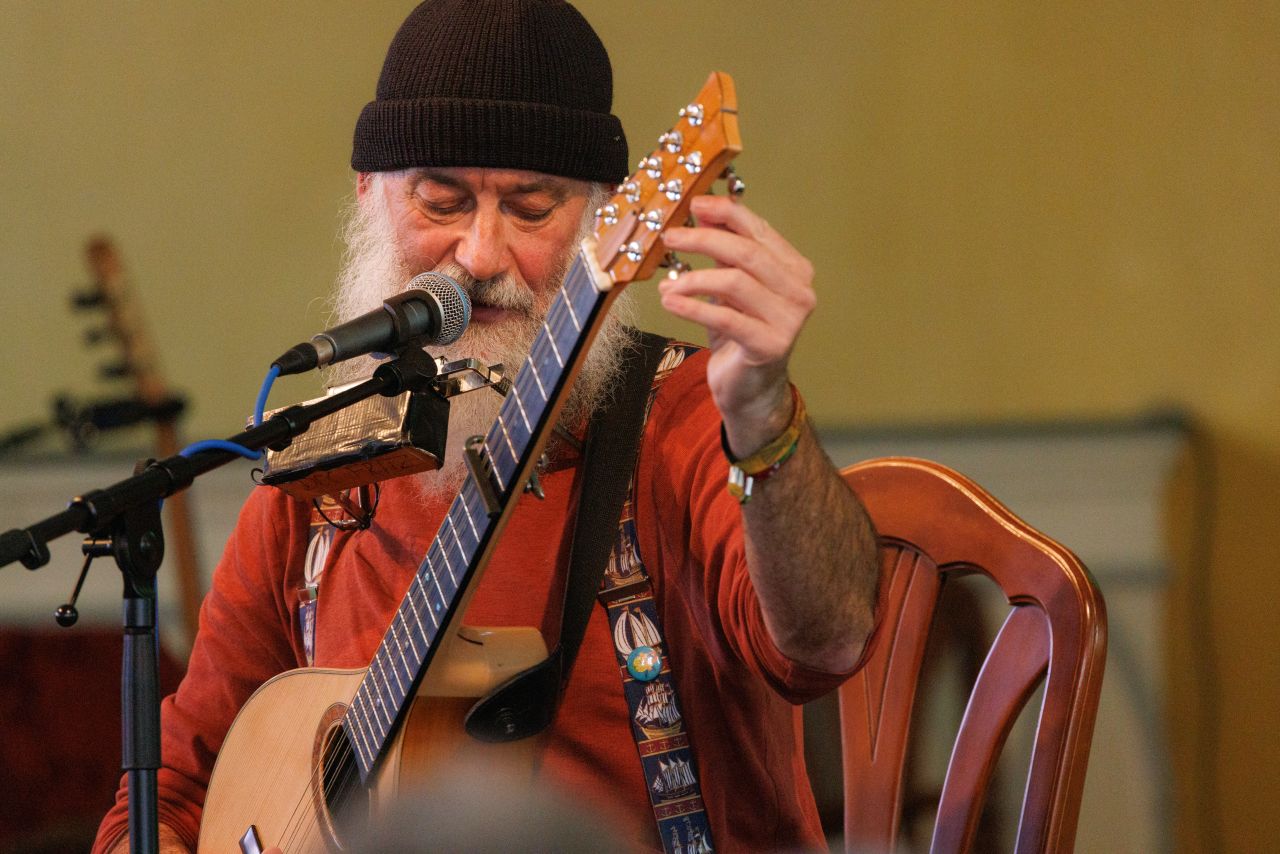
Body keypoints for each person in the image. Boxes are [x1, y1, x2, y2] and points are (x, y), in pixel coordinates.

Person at [93, 1, 880, 851]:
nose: (479, 255)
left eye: (532, 208)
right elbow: (170, 797)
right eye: (442, 201)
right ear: (369, 193)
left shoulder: (682, 416)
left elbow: (829, 641)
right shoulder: (320, 480)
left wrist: (763, 415)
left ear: (602, 218)